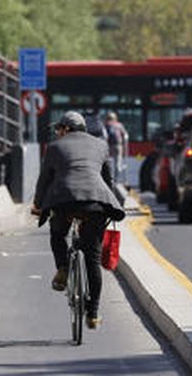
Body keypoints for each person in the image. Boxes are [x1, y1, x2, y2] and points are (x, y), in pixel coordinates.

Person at [32, 111, 126, 330]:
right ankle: (93, 315)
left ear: (66, 129)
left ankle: (63, 267)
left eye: (59, 129)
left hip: (64, 201)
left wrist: (38, 204)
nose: (57, 133)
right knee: (92, 259)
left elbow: (44, 180)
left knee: (57, 234)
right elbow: (108, 180)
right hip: (96, 203)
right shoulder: (101, 145)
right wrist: (106, 203)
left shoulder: (54, 147)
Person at [105, 112, 129, 186]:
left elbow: (104, 136)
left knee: (107, 163)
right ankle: (116, 181)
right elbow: (125, 136)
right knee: (118, 164)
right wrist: (125, 146)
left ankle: (108, 179)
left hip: (109, 146)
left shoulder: (106, 125)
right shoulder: (119, 125)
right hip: (118, 146)